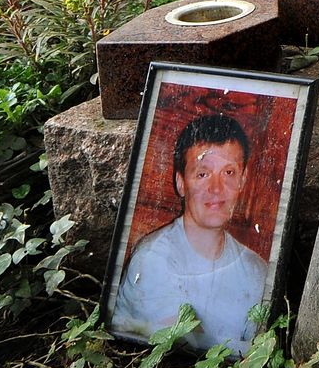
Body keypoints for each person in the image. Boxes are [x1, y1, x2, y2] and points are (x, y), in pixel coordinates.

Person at [110, 113, 270, 353]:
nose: (216, 189)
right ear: (181, 183)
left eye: (228, 173)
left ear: (243, 180)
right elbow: (183, 346)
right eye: (202, 174)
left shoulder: (258, 271)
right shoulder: (152, 259)